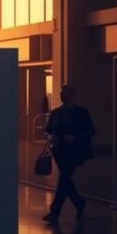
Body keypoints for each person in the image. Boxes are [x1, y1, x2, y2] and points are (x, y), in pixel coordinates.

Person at [43, 85, 96, 222]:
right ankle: (79, 202)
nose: (62, 96)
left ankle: (55, 211)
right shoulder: (56, 113)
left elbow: (90, 130)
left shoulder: (82, 112)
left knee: (64, 178)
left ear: (73, 96)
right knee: (65, 180)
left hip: (75, 151)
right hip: (59, 150)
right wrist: (50, 137)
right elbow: (48, 129)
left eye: (65, 94)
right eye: (61, 94)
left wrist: (75, 137)